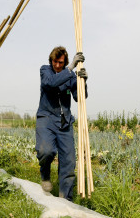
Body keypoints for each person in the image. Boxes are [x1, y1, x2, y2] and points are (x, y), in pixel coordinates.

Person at [35, 46, 88, 201]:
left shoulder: (70, 76)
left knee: (69, 161)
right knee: (46, 151)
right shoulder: (45, 71)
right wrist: (71, 67)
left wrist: (83, 81)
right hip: (46, 119)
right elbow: (51, 83)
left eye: (61, 63)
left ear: (64, 62)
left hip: (64, 121)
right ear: (51, 60)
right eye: (55, 61)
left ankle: (65, 199)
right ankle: (45, 175)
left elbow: (79, 97)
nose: (57, 65)